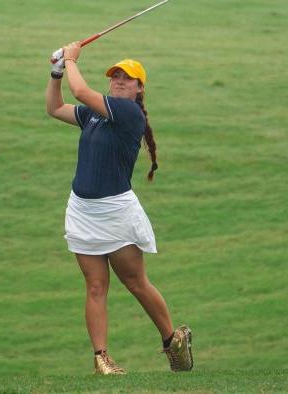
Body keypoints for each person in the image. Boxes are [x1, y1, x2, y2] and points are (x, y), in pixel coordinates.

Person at [45, 41, 193, 375]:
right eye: (115, 77)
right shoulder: (97, 115)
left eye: (127, 78)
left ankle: (173, 341)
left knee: (135, 281)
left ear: (140, 88)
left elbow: (81, 90)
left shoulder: (129, 113)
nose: (119, 81)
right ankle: (102, 359)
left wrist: (69, 59)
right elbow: (55, 108)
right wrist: (56, 72)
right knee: (95, 287)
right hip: (83, 210)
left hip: (115, 212)